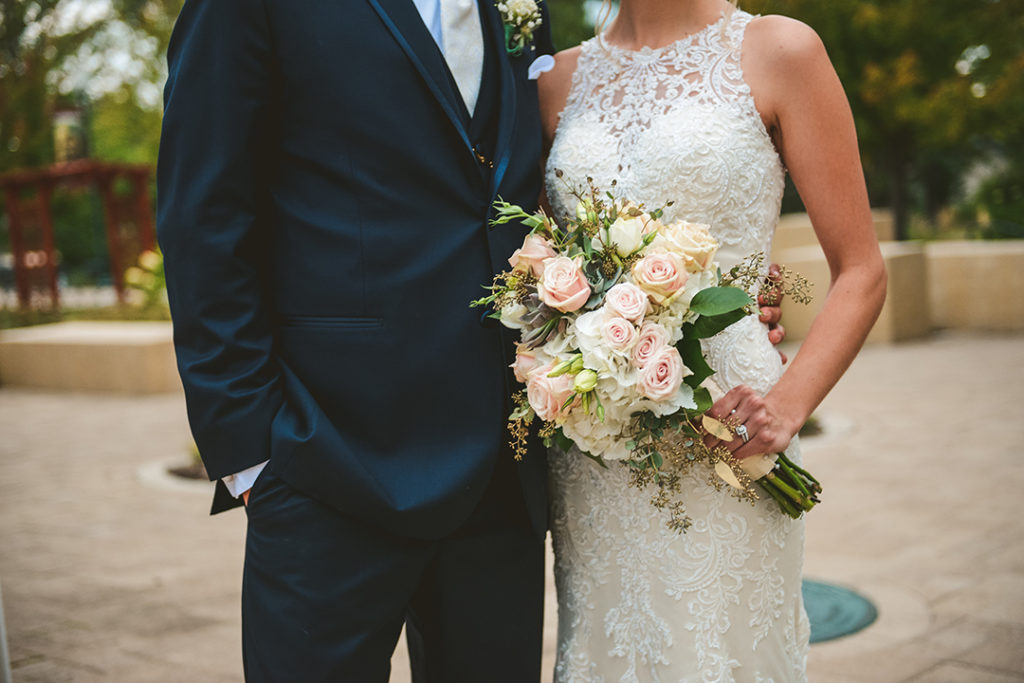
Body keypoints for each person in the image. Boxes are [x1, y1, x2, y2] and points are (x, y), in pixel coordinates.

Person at [537, 0, 887, 680]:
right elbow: (546, 265)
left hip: (732, 432)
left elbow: (861, 269)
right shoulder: (556, 80)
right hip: (594, 443)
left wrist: (788, 404)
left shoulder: (780, 51)